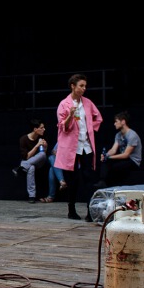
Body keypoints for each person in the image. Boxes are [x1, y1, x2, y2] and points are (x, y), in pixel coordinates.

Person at [54, 74, 102, 221]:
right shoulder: (64, 104)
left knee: (89, 180)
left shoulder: (87, 103)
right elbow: (63, 127)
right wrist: (70, 115)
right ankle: (71, 209)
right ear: (73, 86)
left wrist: (90, 128)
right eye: (81, 85)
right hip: (71, 149)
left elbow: (98, 118)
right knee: (73, 181)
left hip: (86, 146)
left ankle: (90, 211)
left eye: (85, 86)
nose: (84, 88)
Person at [100, 111, 142, 187]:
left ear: (123, 122)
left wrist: (109, 157)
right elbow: (113, 150)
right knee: (105, 161)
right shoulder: (118, 135)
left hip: (133, 161)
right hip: (124, 158)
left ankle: (113, 185)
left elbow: (126, 155)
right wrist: (105, 155)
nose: (114, 124)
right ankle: (103, 182)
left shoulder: (132, 135)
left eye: (116, 121)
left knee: (116, 166)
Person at [12, 118, 48, 203]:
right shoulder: (23, 139)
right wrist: (37, 145)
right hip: (30, 161)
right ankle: (32, 196)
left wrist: (45, 146)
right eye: (42, 128)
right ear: (35, 129)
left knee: (42, 154)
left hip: (40, 161)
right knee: (31, 167)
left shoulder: (42, 137)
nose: (44, 129)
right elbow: (26, 157)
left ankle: (21, 167)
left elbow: (43, 154)